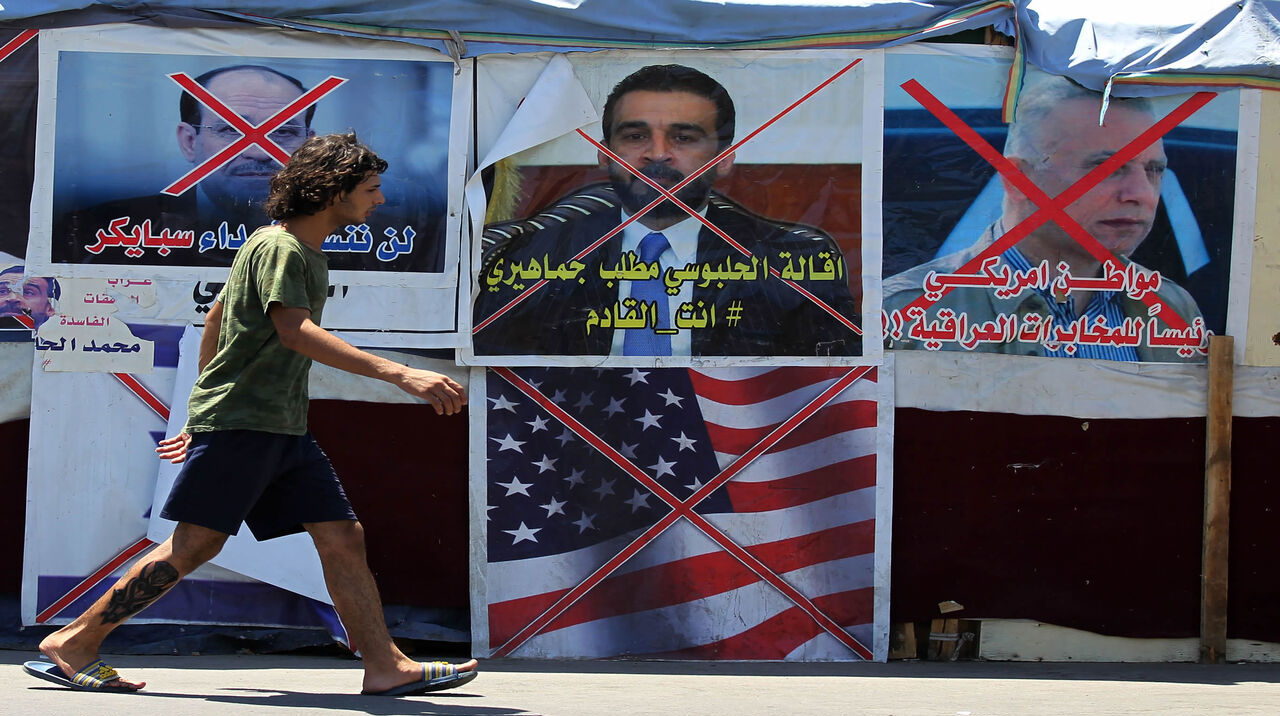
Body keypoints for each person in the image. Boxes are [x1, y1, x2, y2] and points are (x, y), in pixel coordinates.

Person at [24, 133, 478, 695]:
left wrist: (197, 412)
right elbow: (294, 332)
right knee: (195, 546)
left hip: (280, 426)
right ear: (333, 191)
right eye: (370, 189)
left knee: (342, 536)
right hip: (248, 425)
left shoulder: (282, 246)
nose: (379, 200)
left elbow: (217, 316)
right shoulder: (283, 249)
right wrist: (400, 373)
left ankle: (385, 666)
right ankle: (74, 642)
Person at [474, 64, 861, 357]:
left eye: (683, 137)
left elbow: (830, 392)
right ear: (604, 153)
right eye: (636, 136)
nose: (657, 153)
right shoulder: (530, 255)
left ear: (724, 158)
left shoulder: (794, 258)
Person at [882, 74, 1205, 362]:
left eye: (1154, 170)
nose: (1142, 194)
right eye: (1106, 169)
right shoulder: (903, 316)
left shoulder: (1173, 309)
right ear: (1018, 179)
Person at [55, 64, 446, 272]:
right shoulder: (96, 233)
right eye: (231, 130)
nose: (259, 152)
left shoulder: (377, 237)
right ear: (189, 141)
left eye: (284, 132)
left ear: (308, 143)